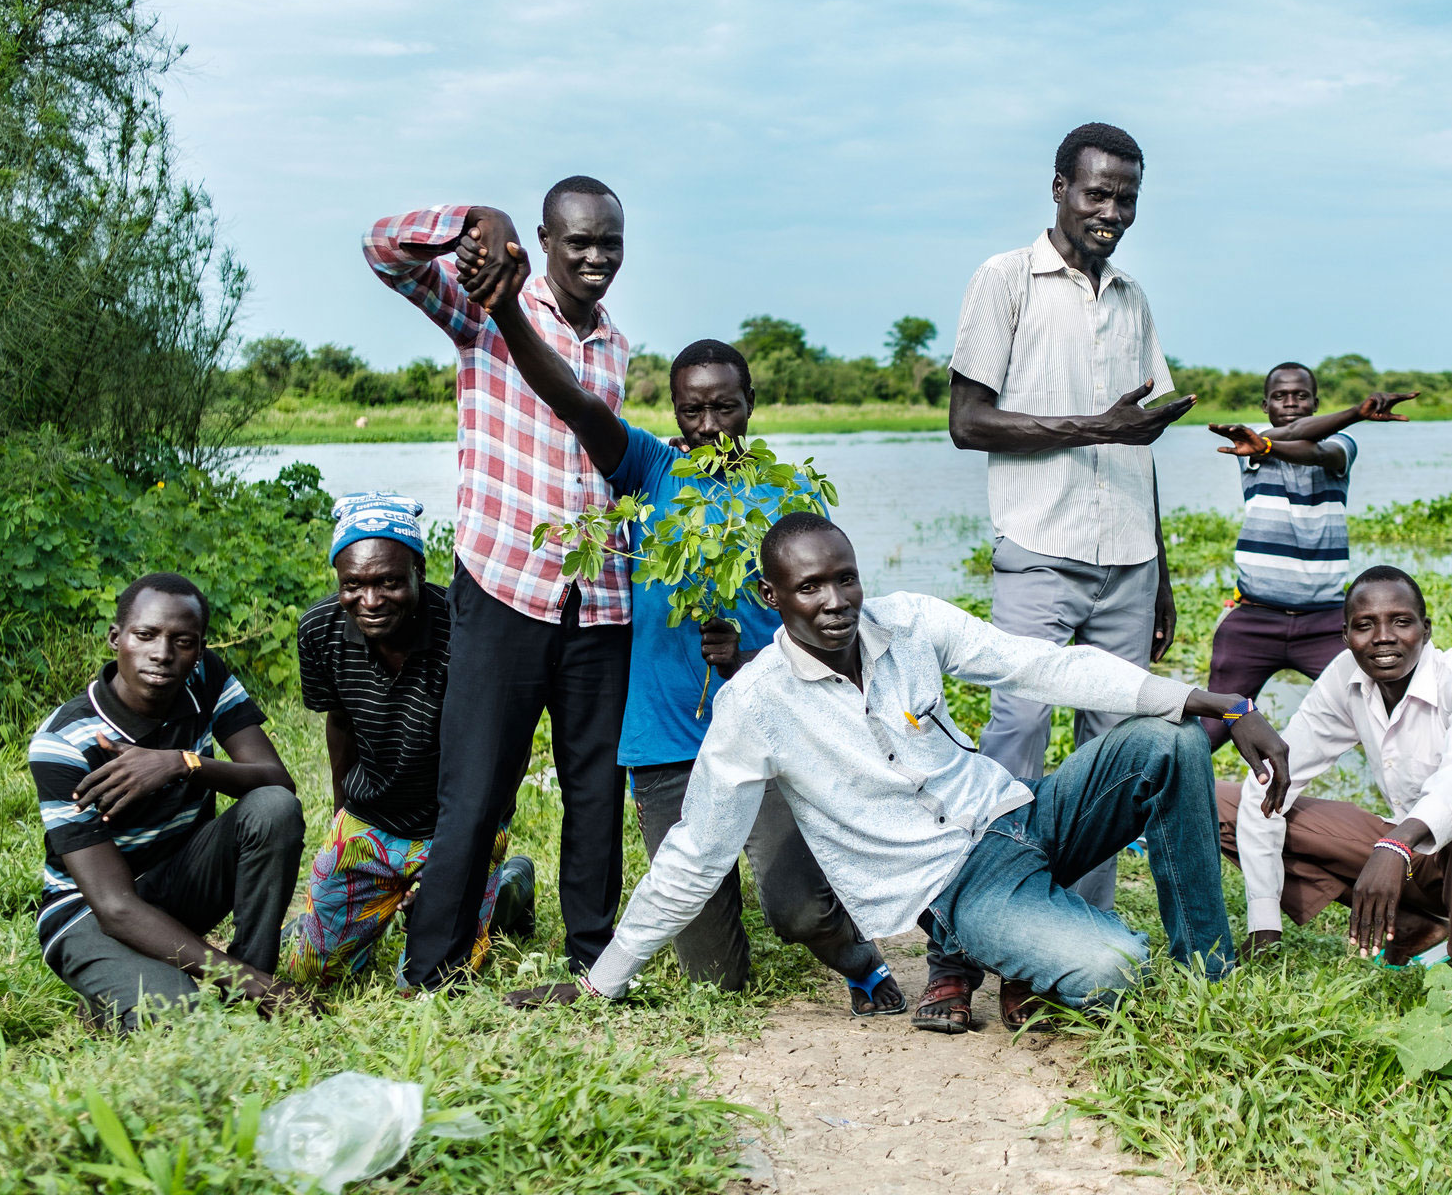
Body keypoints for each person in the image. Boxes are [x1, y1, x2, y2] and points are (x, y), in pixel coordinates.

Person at [506, 514, 1292, 1031]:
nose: (836, 600)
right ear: (772, 596)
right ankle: (1008, 953)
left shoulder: (910, 622)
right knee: (1114, 966)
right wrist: (602, 979)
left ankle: (1207, 972)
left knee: (1174, 742)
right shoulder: (757, 706)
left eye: (844, 577)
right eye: (810, 586)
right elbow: (695, 851)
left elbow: (1040, 666)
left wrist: (1216, 700)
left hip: (1023, 819)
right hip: (959, 884)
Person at [459, 235, 905, 1015]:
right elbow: (573, 399)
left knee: (796, 908)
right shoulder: (649, 470)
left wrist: (744, 655)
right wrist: (505, 313)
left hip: (766, 732)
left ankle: (864, 963)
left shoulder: (788, 492)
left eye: (724, 406)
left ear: (750, 404)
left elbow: (828, 624)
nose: (709, 425)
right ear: (673, 412)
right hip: (666, 740)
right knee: (713, 981)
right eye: (692, 409)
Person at [932, 121, 1194, 1030]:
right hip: (1039, 549)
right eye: (1097, 193)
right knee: (1015, 733)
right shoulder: (1003, 280)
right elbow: (968, 422)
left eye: (1126, 197)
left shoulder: (1134, 299)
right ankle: (960, 946)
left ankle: (1060, 949)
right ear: (1058, 189)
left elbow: (1141, 444)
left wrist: (1160, 574)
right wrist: (1088, 427)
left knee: (1110, 754)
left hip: (1126, 557)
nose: (1112, 212)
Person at [364, 177, 634, 988]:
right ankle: (433, 967)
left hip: (601, 601)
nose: (595, 257)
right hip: (504, 584)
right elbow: (382, 248)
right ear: (545, 242)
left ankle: (592, 960)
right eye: (578, 242)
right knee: (476, 789)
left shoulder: (616, 345)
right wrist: (472, 221)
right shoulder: (486, 306)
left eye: (609, 244)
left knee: (596, 794)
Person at [1215, 566, 1452, 965]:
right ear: (1346, 636)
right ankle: (1408, 925)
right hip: (1414, 863)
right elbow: (1278, 777)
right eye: (1365, 625)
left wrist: (1395, 844)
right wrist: (1264, 923)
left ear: (1426, 628)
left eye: (1401, 622)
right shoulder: (1344, 677)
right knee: (1221, 802)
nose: (1383, 637)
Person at [27, 573, 308, 1029]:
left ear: (199, 650)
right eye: (145, 635)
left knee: (273, 807)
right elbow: (115, 906)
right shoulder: (64, 742)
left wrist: (181, 763)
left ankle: (255, 983)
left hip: (176, 882)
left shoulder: (206, 678)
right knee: (180, 1020)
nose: (162, 654)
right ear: (116, 638)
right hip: (91, 913)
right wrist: (244, 980)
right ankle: (118, 986)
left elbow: (276, 780)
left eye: (183, 641)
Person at [281, 493, 535, 985]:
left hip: (457, 824)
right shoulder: (320, 630)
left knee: (426, 981)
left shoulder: (466, 628)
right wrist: (342, 819)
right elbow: (340, 724)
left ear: (418, 570)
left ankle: (507, 888)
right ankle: (386, 902)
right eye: (352, 584)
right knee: (311, 971)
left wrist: (476, 837)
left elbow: (513, 738)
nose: (370, 601)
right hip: (372, 820)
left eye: (389, 583)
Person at [1202, 363, 1417, 729]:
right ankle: (1171, 780)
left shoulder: (1341, 446)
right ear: (1264, 404)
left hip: (1326, 624)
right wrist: (1354, 414)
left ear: (1315, 403)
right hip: (1255, 621)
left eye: (1301, 396)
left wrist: (1352, 419)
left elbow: (1315, 451)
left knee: (1379, 715)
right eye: (1280, 396)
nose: (1291, 403)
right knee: (1222, 719)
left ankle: (1420, 782)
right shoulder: (1252, 445)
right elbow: (1289, 435)